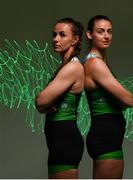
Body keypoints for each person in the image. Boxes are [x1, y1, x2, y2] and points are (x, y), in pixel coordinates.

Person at [83, 15, 133, 179]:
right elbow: (128, 100)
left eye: (109, 32)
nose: (106, 36)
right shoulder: (95, 64)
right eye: (100, 31)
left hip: (108, 136)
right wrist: (122, 98)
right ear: (89, 34)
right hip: (106, 137)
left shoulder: (101, 63)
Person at [35, 18, 84, 179]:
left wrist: (45, 101)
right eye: (54, 35)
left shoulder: (73, 67)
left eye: (62, 35)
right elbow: (42, 104)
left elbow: (41, 101)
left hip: (65, 140)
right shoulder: (63, 67)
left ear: (75, 40)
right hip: (58, 140)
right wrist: (45, 102)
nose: (55, 39)